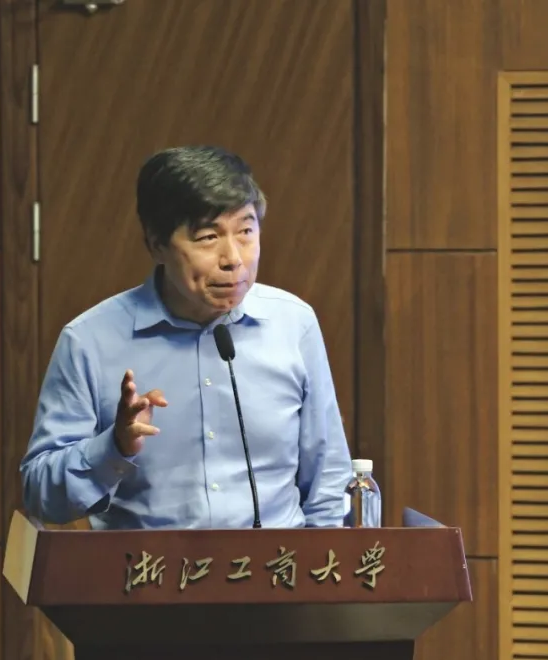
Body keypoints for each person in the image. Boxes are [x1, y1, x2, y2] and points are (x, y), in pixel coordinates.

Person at [20, 145, 352, 529]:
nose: (234, 259)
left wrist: (323, 565)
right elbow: (39, 493)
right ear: (157, 245)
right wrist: (114, 448)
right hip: (145, 566)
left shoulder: (294, 324)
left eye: (246, 231)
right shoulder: (89, 341)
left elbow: (328, 481)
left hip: (276, 565)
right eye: (208, 237)